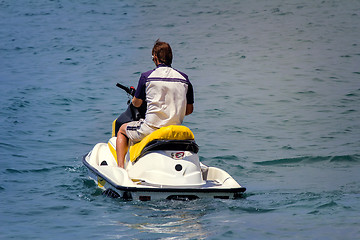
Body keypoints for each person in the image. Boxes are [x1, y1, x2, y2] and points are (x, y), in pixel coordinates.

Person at [116, 40, 194, 168]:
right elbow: (189, 110)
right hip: (175, 129)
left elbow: (136, 103)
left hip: (151, 129)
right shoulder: (184, 79)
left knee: (122, 130)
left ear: (155, 57)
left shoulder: (146, 77)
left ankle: (120, 168)